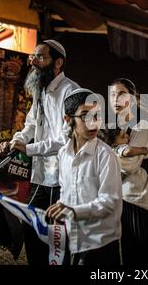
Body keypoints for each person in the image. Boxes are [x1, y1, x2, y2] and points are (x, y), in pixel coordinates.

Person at [0, 39, 80, 265]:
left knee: (57, 237)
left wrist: (29, 148)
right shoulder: (41, 92)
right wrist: (15, 141)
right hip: (40, 176)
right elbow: (30, 125)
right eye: (33, 56)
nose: (33, 61)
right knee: (32, 228)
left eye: (40, 57)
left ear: (58, 62)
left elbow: (65, 139)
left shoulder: (70, 91)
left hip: (61, 180)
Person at [46, 88, 122, 265]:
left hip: (100, 243)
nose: (93, 123)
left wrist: (74, 211)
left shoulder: (106, 155)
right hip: (73, 239)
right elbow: (66, 191)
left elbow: (110, 201)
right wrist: (60, 208)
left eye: (97, 116)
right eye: (85, 116)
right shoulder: (63, 154)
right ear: (68, 119)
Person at [109, 78, 148, 266]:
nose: (116, 99)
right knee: (130, 254)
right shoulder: (115, 128)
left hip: (141, 202)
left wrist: (111, 150)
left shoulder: (141, 127)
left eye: (121, 94)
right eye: (112, 94)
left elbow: (129, 165)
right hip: (122, 199)